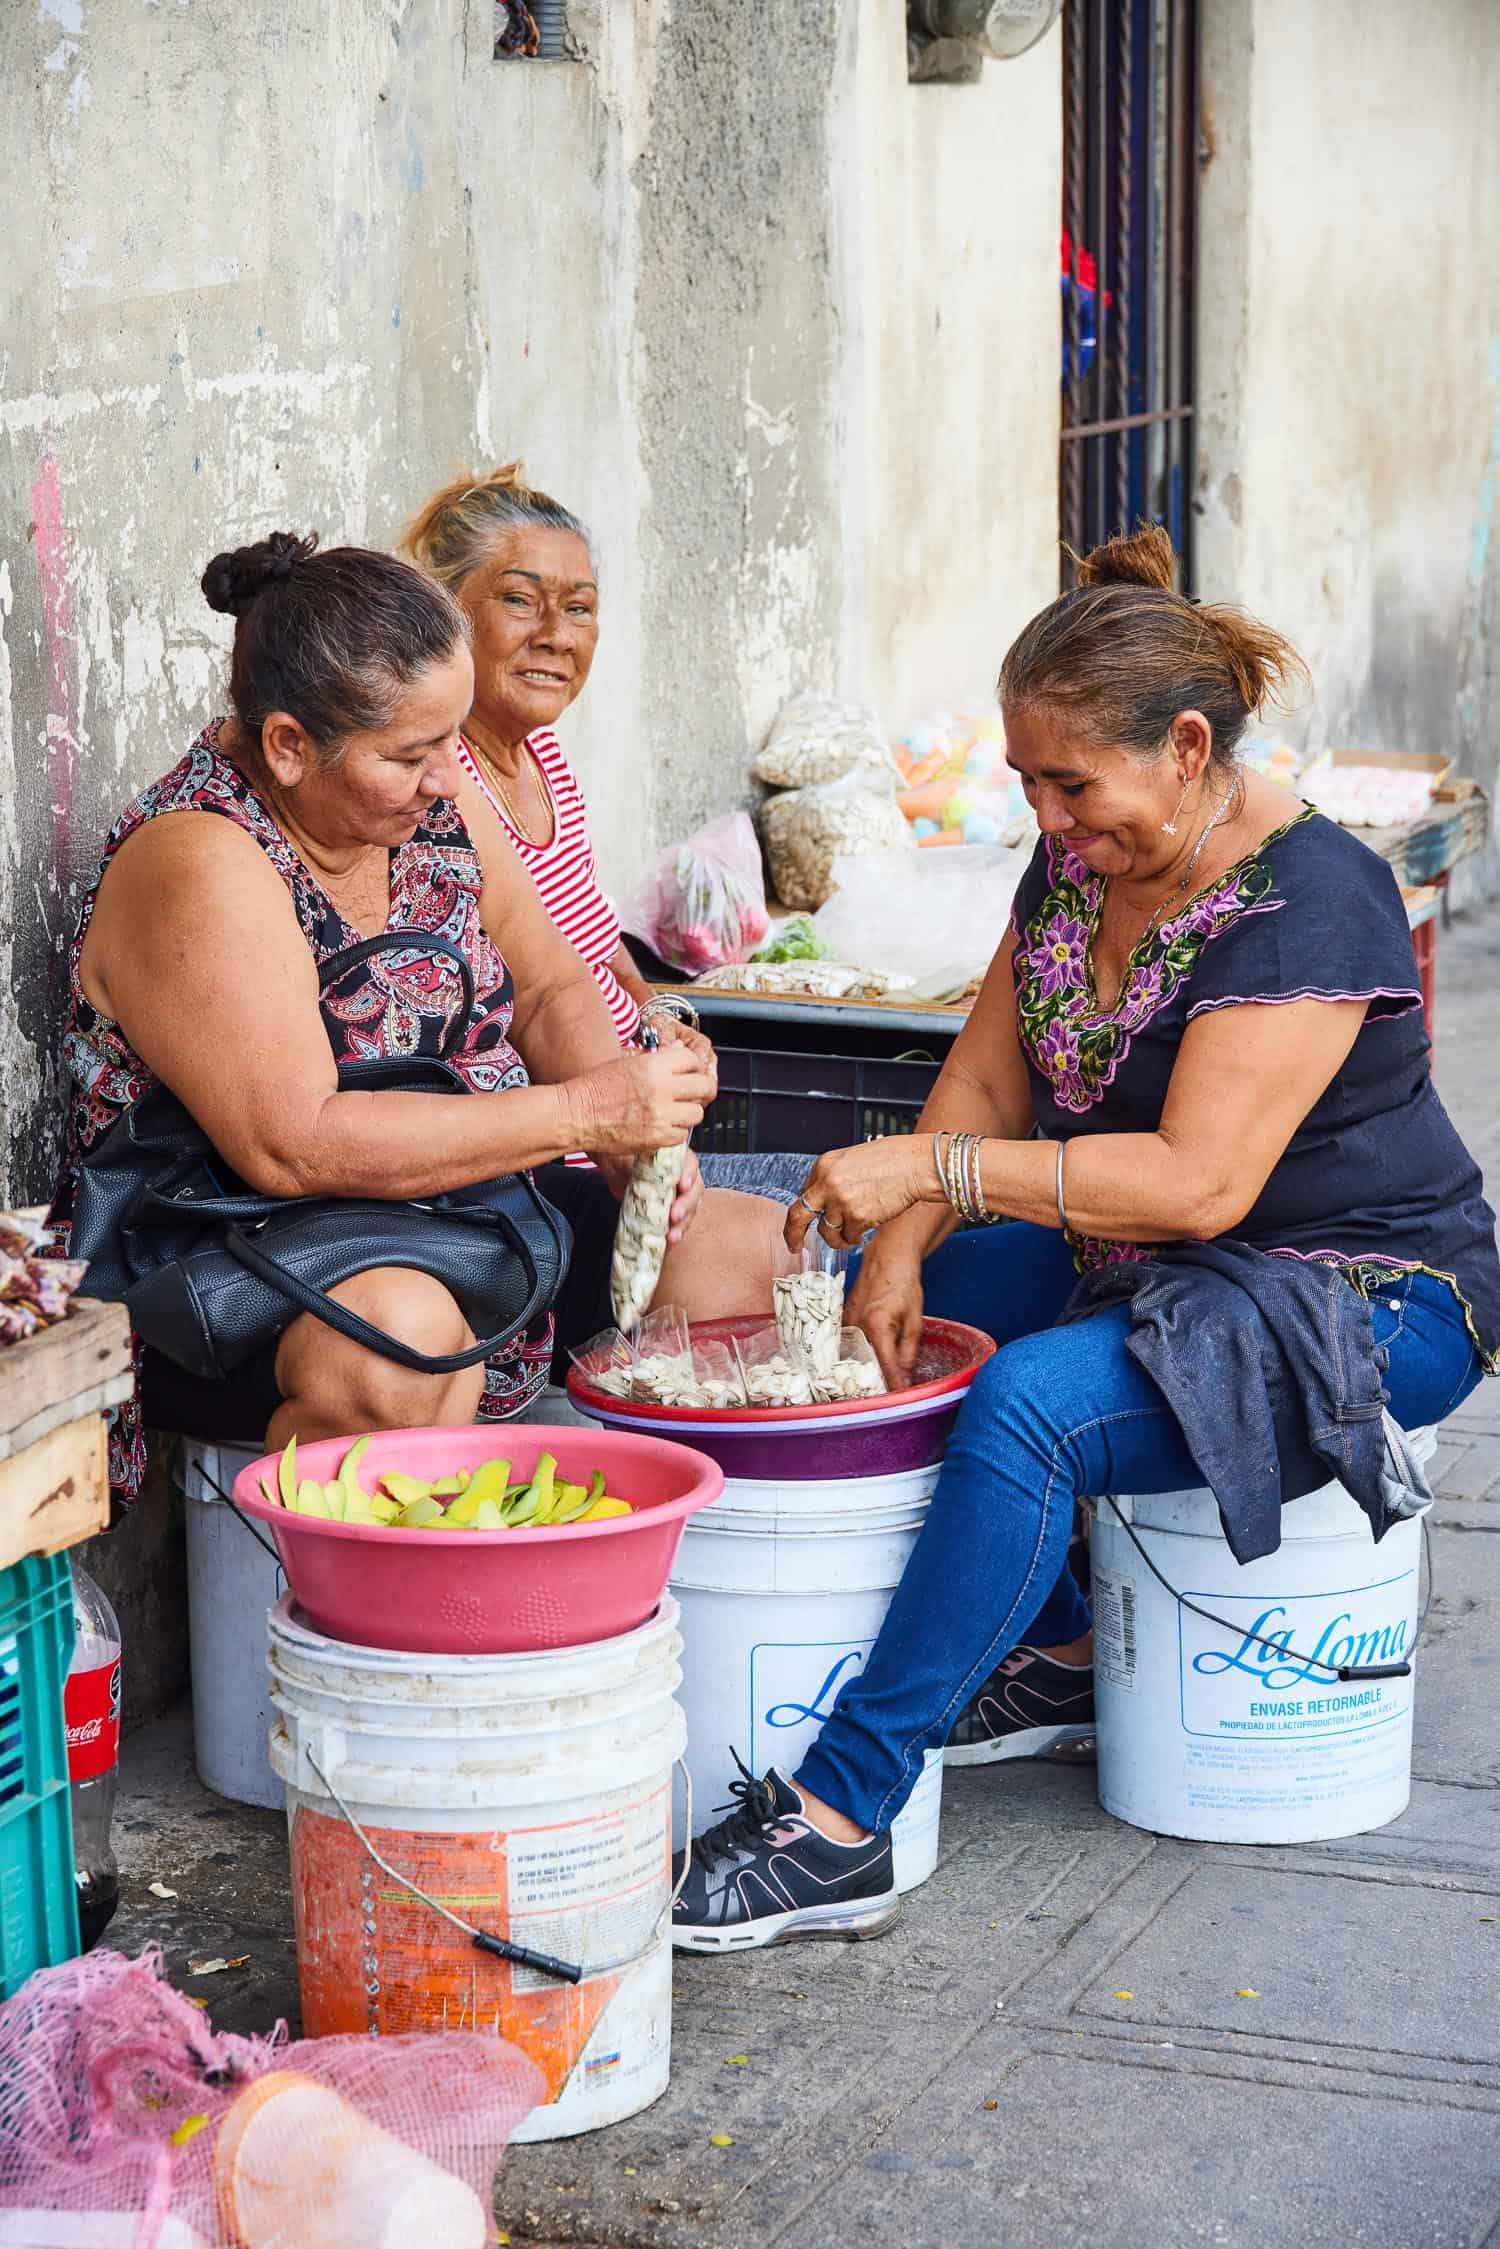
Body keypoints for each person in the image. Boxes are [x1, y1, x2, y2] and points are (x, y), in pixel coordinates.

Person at [671, 523, 1500, 1951]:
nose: (1050, 817)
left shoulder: (1311, 904)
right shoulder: (1076, 872)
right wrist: (906, 1241)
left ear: (1189, 746)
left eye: (1073, 782)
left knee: (1024, 1406)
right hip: (1156, 1257)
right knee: (921, 1330)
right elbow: (990, 1083)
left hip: (1366, 1288)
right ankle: (1057, 1654)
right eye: (1029, 783)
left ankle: (843, 1816)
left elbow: (1194, 1185)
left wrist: (931, 1173)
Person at [47, 532, 790, 1503]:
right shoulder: (200, 859)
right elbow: (295, 1145)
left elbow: (555, 985)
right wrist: (586, 1115)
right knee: (409, 1345)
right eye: (411, 752)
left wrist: (623, 1145)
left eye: (452, 736)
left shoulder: (428, 802)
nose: (449, 774)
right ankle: (345, 1625)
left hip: (461, 1207)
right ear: (287, 744)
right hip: (232, 1249)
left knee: (768, 1258)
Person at [397, 464, 808, 1200]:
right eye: (520, 600)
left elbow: (587, 930)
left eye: (580, 609)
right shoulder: (439, 778)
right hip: (559, 1158)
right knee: (807, 1221)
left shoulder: (542, 755)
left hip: (632, 1124)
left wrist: (652, 1009)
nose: (556, 635)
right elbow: (535, 992)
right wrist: (613, 1116)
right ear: (444, 612)